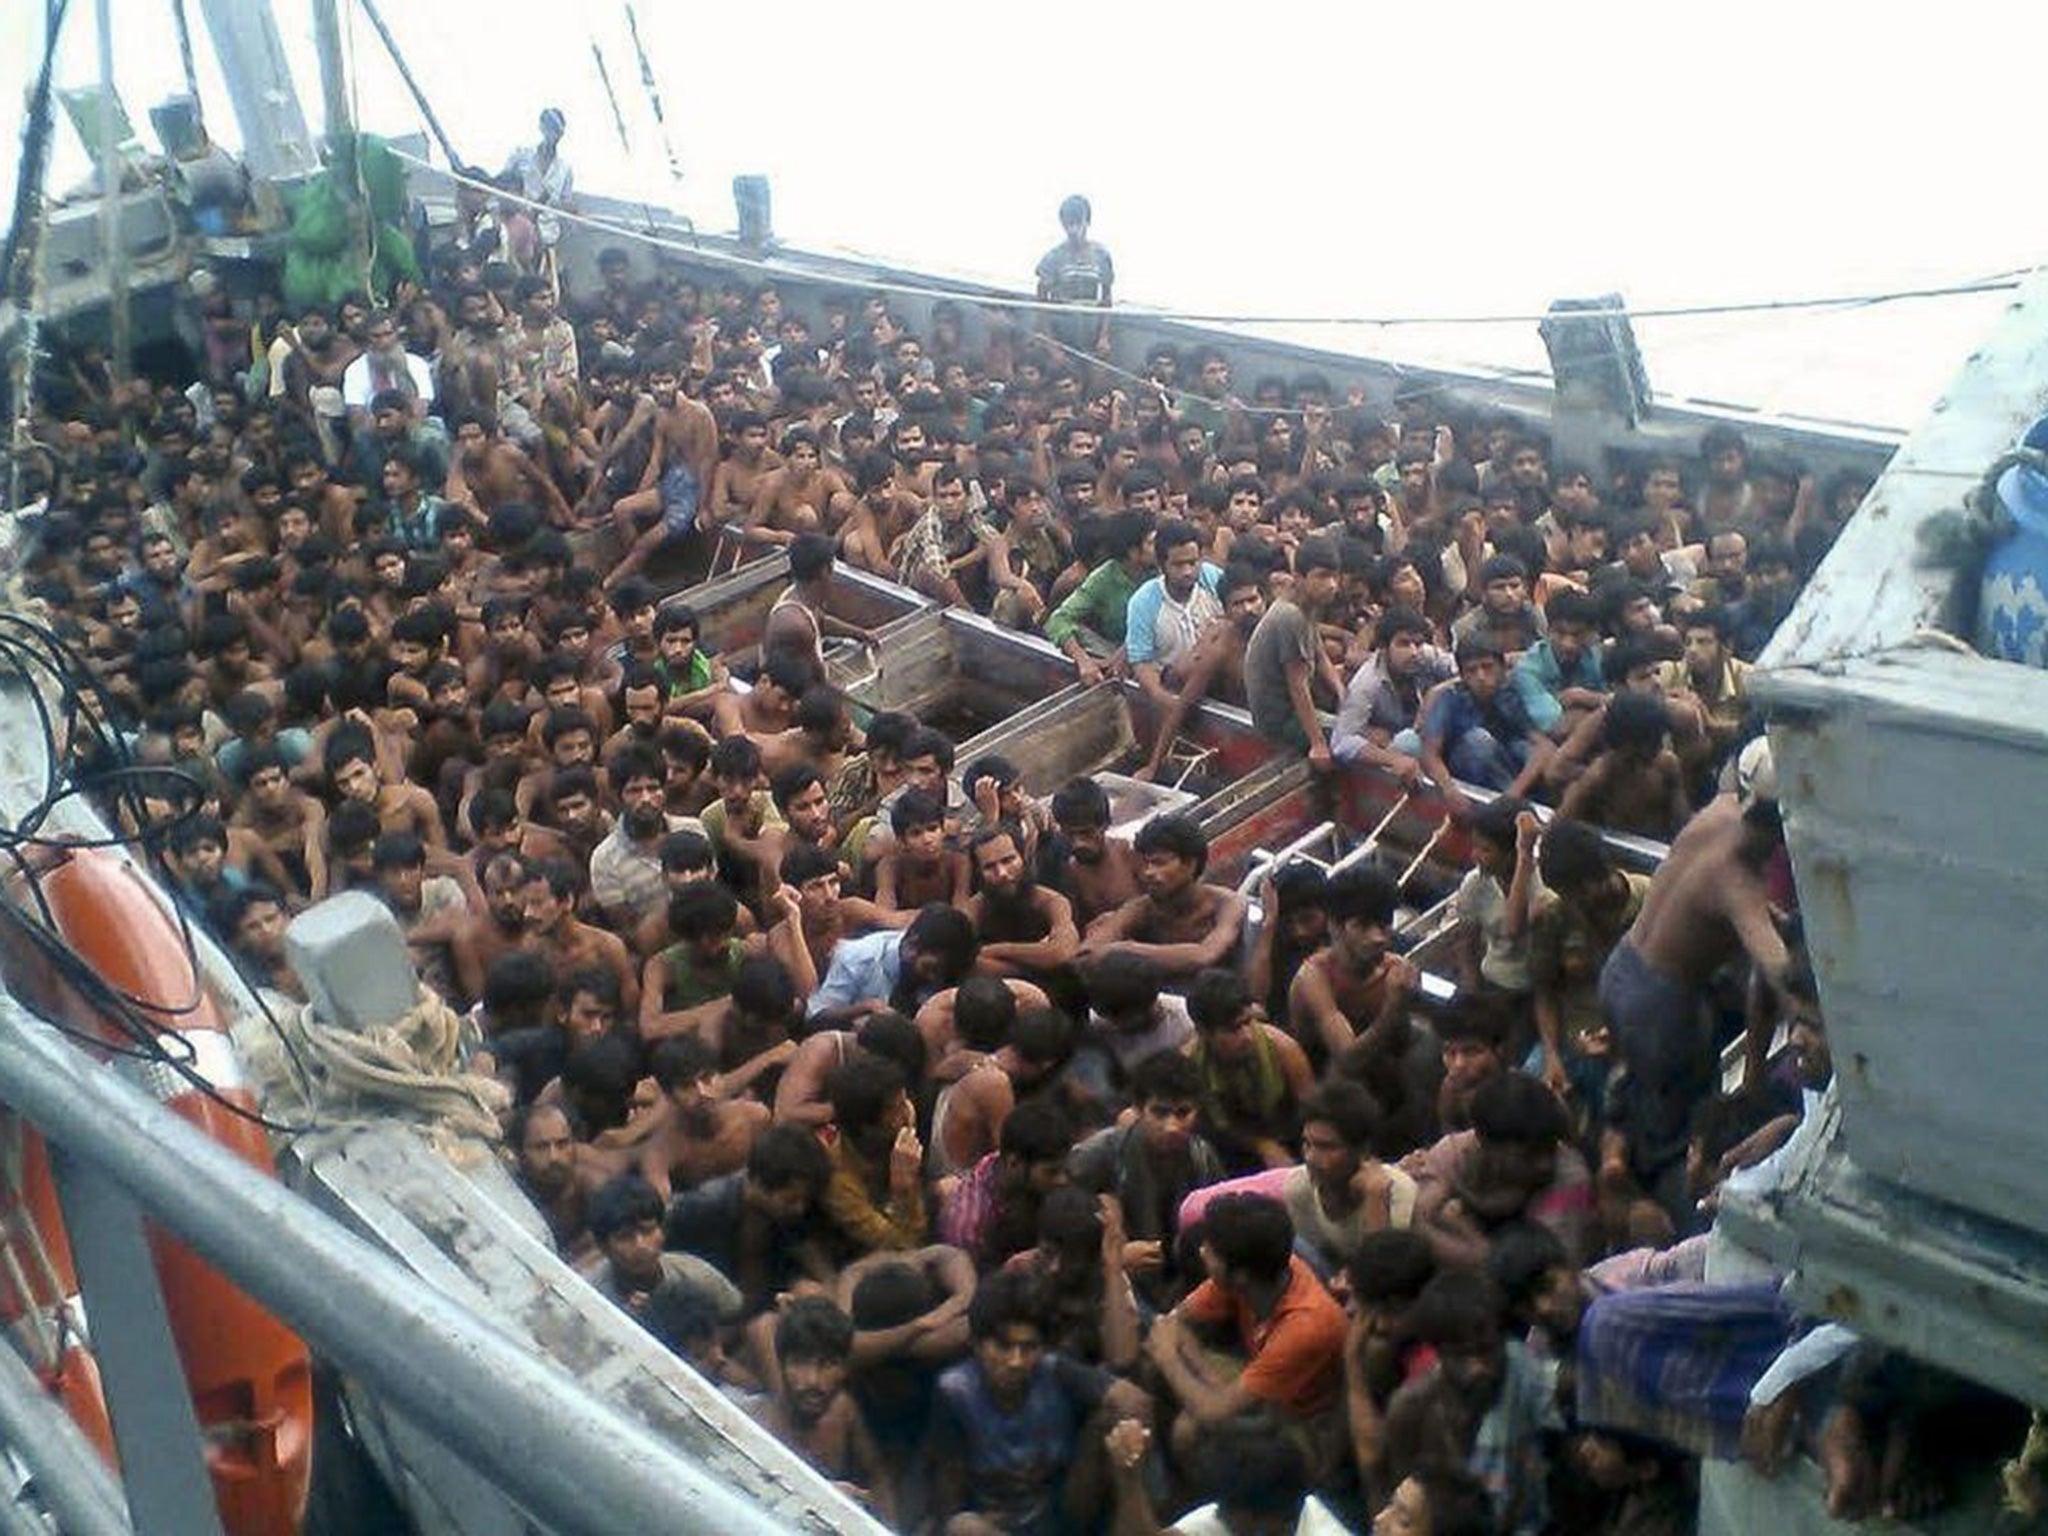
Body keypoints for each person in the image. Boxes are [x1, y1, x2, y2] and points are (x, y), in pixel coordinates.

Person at [928, 1268, 1149, 1535]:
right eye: (1003, 1346)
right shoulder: (955, 1392)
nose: (1016, 1361)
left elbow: (1135, 1402)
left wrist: (1127, 1454)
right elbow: (949, 1495)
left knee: (1105, 1421)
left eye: (1028, 1348)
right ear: (977, 1344)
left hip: (1061, 1517)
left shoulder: (1055, 1371)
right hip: (995, 1524)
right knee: (963, 1527)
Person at [1146, 1193, 1348, 1479]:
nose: (1202, 1251)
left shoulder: (1307, 1324)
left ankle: (1234, 1509)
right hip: (1263, 1390)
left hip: (1304, 1423)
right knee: (1162, 1379)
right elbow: (1175, 1323)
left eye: (1211, 1250)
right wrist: (1210, 1378)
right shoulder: (1252, 1271)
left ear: (1240, 1274)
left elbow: (1212, 1412)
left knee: (1187, 1430)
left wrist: (1169, 1359)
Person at [1381, 1269, 1561, 1535]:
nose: (1478, 1367)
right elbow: (1401, 1505)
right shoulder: (1411, 1409)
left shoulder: (1529, 1380)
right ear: (1438, 1350)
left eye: (1486, 1350)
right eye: (1462, 1355)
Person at [754, 1296, 897, 1524]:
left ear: (845, 1369)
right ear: (781, 1363)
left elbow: (877, 1476)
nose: (813, 1380)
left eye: (828, 1364)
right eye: (800, 1362)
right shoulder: (756, 1426)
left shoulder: (843, 1411)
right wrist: (823, 1498)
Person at [1080, 814, 1246, 984]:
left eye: (1159, 863)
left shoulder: (1226, 903)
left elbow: (1204, 955)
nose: (1148, 873)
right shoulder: (1141, 908)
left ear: (1190, 864)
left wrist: (1125, 949)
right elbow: (1085, 955)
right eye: (1145, 863)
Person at [1243, 536, 1345, 771]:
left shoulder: (1307, 604)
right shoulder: (1289, 616)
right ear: (1299, 578)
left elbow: (1319, 654)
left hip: (1294, 707)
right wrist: (1318, 743)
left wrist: (1342, 694)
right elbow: (1297, 685)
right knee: (1358, 739)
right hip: (1279, 719)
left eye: (1334, 576)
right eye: (1322, 576)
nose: (1332, 584)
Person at [1034, 194, 1114, 357]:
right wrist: (1051, 343)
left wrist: (1104, 336)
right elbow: (1041, 304)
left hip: (1092, 331)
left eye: (1078, 223)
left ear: (1087, 221)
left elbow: (1106, 298)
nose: (1073, 229)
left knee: (1098, 374)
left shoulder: (1101, 254)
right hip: (1062, 332)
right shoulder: (1053, 257)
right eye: (1068, 224)